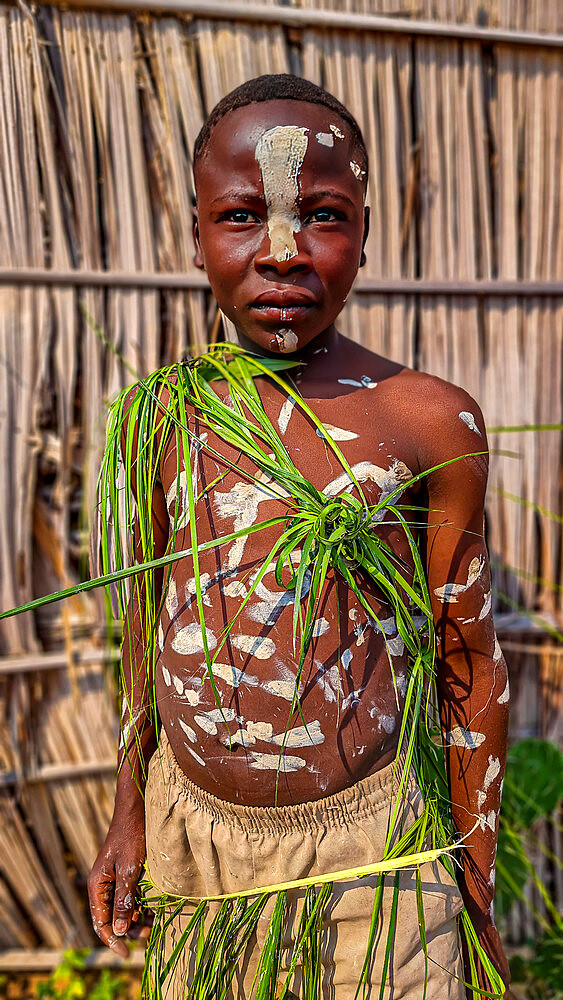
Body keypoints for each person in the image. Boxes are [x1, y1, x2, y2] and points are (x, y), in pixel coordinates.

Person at [87, 74, 511, 998]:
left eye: (320, 215)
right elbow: (147, 625)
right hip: (197, 853)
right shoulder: (165, 418)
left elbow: (468, 661)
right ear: (196, 234)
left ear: (365, 232)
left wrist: (472, 882)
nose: (282, 254)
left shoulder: (426, 424)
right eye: (242, 217)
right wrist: (130, 812)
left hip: (381, 860)